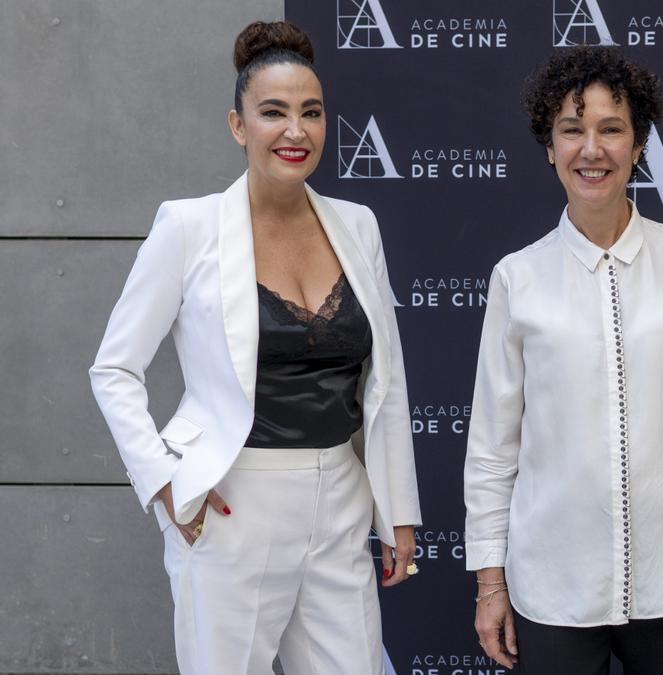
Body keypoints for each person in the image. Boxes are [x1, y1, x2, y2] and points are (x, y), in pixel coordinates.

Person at [89, 20, 420, 674]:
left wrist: (398, 508)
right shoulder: (187, 228)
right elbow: (114, 367)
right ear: (239, 125)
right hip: (232, 502)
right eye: (273, 112)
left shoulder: (358, 225)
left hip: (342, 501)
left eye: (311, 113)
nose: (295, 131)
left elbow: (389, 379)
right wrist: (165, 481)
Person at [463, 46, 663, 675]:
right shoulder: (516, 278)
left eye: (611, 128)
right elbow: (494, 446)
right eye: (571, 130)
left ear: (638, 144)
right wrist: (490, 581)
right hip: (553, 586)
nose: (591, 149)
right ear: (549, 147)